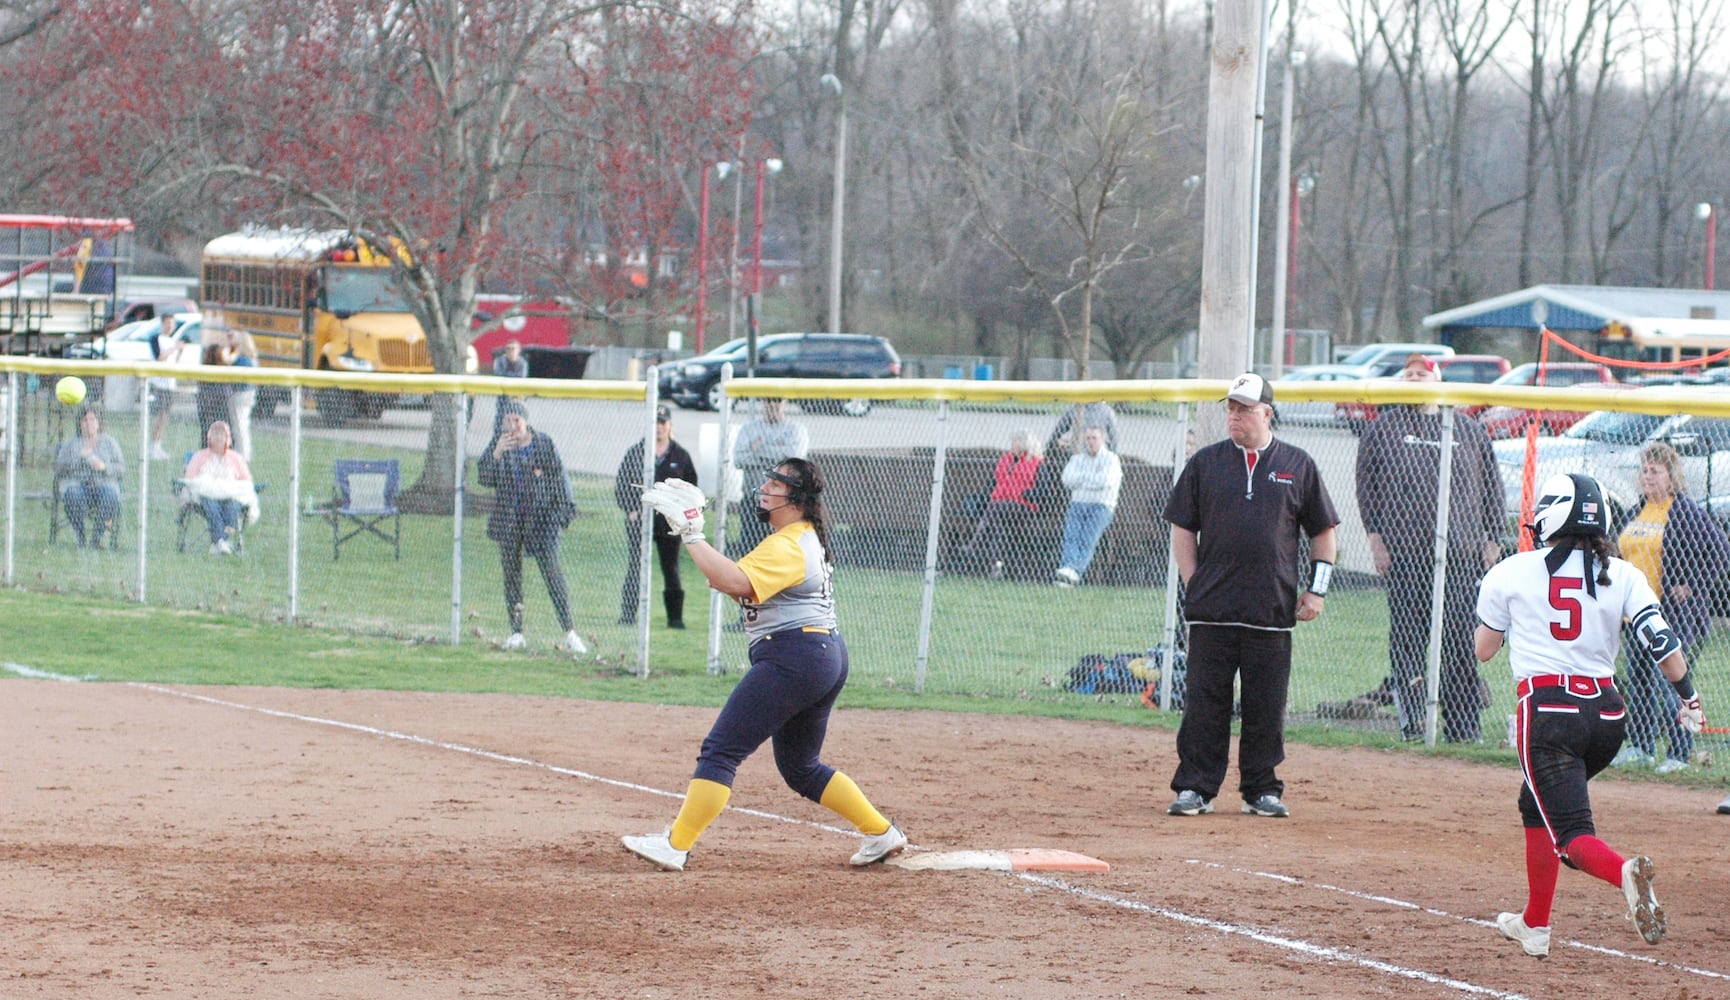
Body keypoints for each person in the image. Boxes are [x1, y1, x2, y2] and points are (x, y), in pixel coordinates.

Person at [621, 458, 906, 871]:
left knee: (720, 752)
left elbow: (734, 581)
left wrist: (692, 532)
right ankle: (881, 833)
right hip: (820, 656)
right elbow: (739, 583)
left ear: (797, 497)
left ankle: (675, 845)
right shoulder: (799, 537)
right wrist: (706, 553)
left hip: (794, 657)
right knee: (800, 767)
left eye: (778, 482)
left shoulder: (790, 542)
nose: (767, 486)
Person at [1476, 472, 1701, 958]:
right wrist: (1688, 695)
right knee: (1534, 803)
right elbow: (1661, 642)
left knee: (1572, 835)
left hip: (1549, 714)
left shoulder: (1513, 570)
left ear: (1552, 516)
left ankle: (1623, 871)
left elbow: (1484, 650)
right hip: (1607, 716)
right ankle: (1534, 925)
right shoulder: (1622, 572)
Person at [1164, 373, 1338, 819]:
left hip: (1271, 608)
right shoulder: (1206, 463)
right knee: (1204, 704)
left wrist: (1316, 592)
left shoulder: (1297, 464)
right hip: (1213, 609)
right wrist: (1192, 580)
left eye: (1243, 408)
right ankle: (1196, 787)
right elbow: (1183, 526)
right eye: (1230, 408)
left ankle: (1261, 788)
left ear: (1267, 413)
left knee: (1266, 705)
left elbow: (1324, 531)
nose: (1234, 416)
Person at [1355, 353, 1503, 742]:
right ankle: (1415, 722)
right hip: (1406, 554)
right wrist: (1376, 539)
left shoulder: (1468, 430)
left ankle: (1463, 727)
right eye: (1408, 374)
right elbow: (1366, 489)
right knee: (1408, 639)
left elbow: (1491, 488)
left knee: (1458, 639)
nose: (1414, 378)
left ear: (1439, 380)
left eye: (1422, 373)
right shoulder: (1383, 428)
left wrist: (1492, 539)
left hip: (1459, 555)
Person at [1610, 442, 1730, 773]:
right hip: (1635, 613)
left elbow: (1722, 550)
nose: (1647, 476)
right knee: (1640, 682)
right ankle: (1641, 746)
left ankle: (1679, 752)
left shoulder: (1684, 511)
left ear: (1671, 476)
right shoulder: (1636, 511)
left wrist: (1692, 584)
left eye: (1655, 471)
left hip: (1671, 614)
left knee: (1671, 683)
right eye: (1644, 470)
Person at [477, 399, 587, 654]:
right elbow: (484, 478)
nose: (513, 426)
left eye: (517, 420)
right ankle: (516, 632)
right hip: (510, 518)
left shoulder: (543, 444)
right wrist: (497, 452)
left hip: (541, 518)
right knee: (512, 575)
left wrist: (564, 511)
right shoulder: (500, 444)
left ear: (526, 421)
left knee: (552, 573)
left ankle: (570, 632)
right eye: (508, 421)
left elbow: (560, 478)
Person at [614, 404, 699, 628]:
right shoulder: (636, 452)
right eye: (655, 423)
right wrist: (631, 509)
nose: (659, 428)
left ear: (670, 426)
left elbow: (692, 488)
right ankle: (627, 616)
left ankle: (675, 619)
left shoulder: (680, 455)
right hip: (640, 520)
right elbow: (622, 484)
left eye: (663, 423)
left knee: (670, 568)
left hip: (669, 523)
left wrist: (683, 514)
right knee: (636, 566)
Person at [729, 398, 809, 556]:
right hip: (754, 497)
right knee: (750, 547)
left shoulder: (795, 429)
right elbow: (739, 459)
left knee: (778, 548)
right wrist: (779, 453)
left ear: (785, 403)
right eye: (768, 401)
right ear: (762, 403)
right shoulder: (748, 428)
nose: (773, 405)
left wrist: (756, 450)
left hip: (783, 500)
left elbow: (796, 459)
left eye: (777, 401)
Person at [962, 429, 1044, 578]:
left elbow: (1043, 491)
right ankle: (996, 565)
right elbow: (992, 483)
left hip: (1023, 506)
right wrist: (984, 498)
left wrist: (1025, 494)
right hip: (999, 506)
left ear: (1024, 444)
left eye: (1015, 442)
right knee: (998, 522)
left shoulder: (1037, 462)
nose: (1011, 445)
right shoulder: (1006, 459)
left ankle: (974, 544)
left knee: (996, 510)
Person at [1053, 425, 1121, 587]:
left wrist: (1082, 480)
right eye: (1088, 438)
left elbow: (1104, 482)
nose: (1090, 442)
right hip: (1078, 503)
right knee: (1072, 535)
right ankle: (1067, 567)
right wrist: (1090, 478)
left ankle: (1075, 571)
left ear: (1103, 440)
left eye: (1094, 438)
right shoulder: (1078, 459)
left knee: (1087, 538)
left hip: (1101, 506)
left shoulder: (1111, 459)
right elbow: (1067, 480)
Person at [53, 406, 124, 548]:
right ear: (79, 424)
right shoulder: (71, 444)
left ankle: (97, 538)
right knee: (72, 494)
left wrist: (104, 467)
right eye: (85, 420)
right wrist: (79, 459)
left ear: (98, 423)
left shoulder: (109, 443)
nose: (89, 423)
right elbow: (59, 469)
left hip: (104, 485)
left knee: (111, 495)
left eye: (92, 419)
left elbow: (121, 468)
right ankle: (81, 537)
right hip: (78, 485)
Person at [182, 420, 255, 556]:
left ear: (228, 438)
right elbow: (190, 479)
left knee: (232, 507)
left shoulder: (236, 458)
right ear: (209, 437)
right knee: (211, 505)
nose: (219, 438)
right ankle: (222, 542)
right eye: (215, 435)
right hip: (208, 495)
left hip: (230, 495)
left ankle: (219, 541)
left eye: (222, 435)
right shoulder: (199, 456)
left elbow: (246, 481)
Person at [146, 313, 185, 461]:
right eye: (167, 323)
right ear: (162, 324)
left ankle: (158, 445)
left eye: (172, 323)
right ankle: (151, 446)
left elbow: (174, 362)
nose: (170, 326)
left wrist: (179, 351)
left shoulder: (172, 341)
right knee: (158, 415)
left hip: (170, 384)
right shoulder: (157, 339)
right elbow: (160, 357)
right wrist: (175, 348)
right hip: (158, 383)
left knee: (164, 416)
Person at [222, 329, 259, 462]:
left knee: (240, 426)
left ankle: (243, 455)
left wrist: (227, 348)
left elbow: (227, 362)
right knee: (241, 425)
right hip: (248, 393)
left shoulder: (243, 359)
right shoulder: (251, 358)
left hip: (241, 395)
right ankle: (243, 454)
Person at [1046, 400, 1119, 454]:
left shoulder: (1076, 408)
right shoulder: (1108, 411)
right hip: (1097, 452)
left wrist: (1051, 443)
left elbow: (1058, 431)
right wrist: (1112, 452)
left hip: (1078, 451)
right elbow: (1114, 438)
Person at [492, 339, 529, 435]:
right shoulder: (500, 361)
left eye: (513, 349)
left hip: (518, 396)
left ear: (518, 350)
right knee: (500, 417)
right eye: (508, 349)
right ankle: (497, 435)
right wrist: (512, 376)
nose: (511, 351)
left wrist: (507, 376)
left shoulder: (522, 363)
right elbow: (498, 375)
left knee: (519, 417)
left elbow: (521, 377)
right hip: (503, 395)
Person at [196, 341, 231, 438]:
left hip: (207, 409)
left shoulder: (205, 371)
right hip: (217, 409)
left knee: (206, 433)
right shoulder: (222, 371)